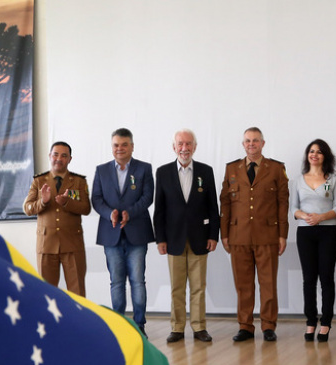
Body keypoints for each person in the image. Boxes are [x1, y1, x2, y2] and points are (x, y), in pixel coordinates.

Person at [220, 127, 289, 342]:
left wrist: (282, 234)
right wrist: (224, 233)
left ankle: (268, 325)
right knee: (243, 284)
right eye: (248, 141)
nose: (252, 144)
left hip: (267, 235)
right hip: (238, 234)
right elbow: (225, 202)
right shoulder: (231, 168)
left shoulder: (276, 169)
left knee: (268, 284)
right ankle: (245, 326)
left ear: (263, 143)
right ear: (243, 144)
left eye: (256, 141)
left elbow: (282, 203)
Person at [154, 129, 220, 343]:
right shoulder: (163, 173)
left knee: (199, 286)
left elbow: (213, 208)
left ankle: (200, 327)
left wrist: (214, 235)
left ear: (195, 147)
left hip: (200, 239)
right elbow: (160, 210)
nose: (184, 148)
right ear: (174, 147)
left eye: (188, 144)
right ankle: (177, 328)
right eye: (180, 144)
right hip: (173, 240)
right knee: (177, 288)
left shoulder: (206, 171)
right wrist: (160, 239)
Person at [91, 128, 155, 337]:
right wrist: (110, 213)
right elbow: (97, 199)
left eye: (124, 144)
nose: (120, 149)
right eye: (116, 145)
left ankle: (140, 325)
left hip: (137, 232)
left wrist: (130, 213)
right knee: (116, 282)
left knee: (138, 280)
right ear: (112, 147)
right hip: (111, 234)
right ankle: (119, 325)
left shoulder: (144, 169)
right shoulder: (101, 171)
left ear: (132, 146)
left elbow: (147, 198)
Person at [290, 139, 336, 342]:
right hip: (305, 233)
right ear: (307, 155)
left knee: (326, 278)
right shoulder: (298, 179)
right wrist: (305, 216)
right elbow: (293, 208)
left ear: (325, 156)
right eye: (311, 151)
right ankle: (311, 321)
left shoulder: (333, 179)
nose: (314, 154)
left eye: (319, 152)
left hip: (329, 233)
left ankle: (326, 322)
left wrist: (321, 217)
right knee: (309, 279)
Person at [23, 141, 91, 296]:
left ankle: (77, 320)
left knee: (77, 292)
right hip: (46, 244)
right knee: (46, 293)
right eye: (55, 154)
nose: (59, 158)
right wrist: (43, 202)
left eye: (64, 155)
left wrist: (67, 202)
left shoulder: (79, 181)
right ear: (50, 156)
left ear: (69, 159)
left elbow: (86, 208)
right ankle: (49, 321)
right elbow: (28, 208)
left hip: (72, 244)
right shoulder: (39, 181)